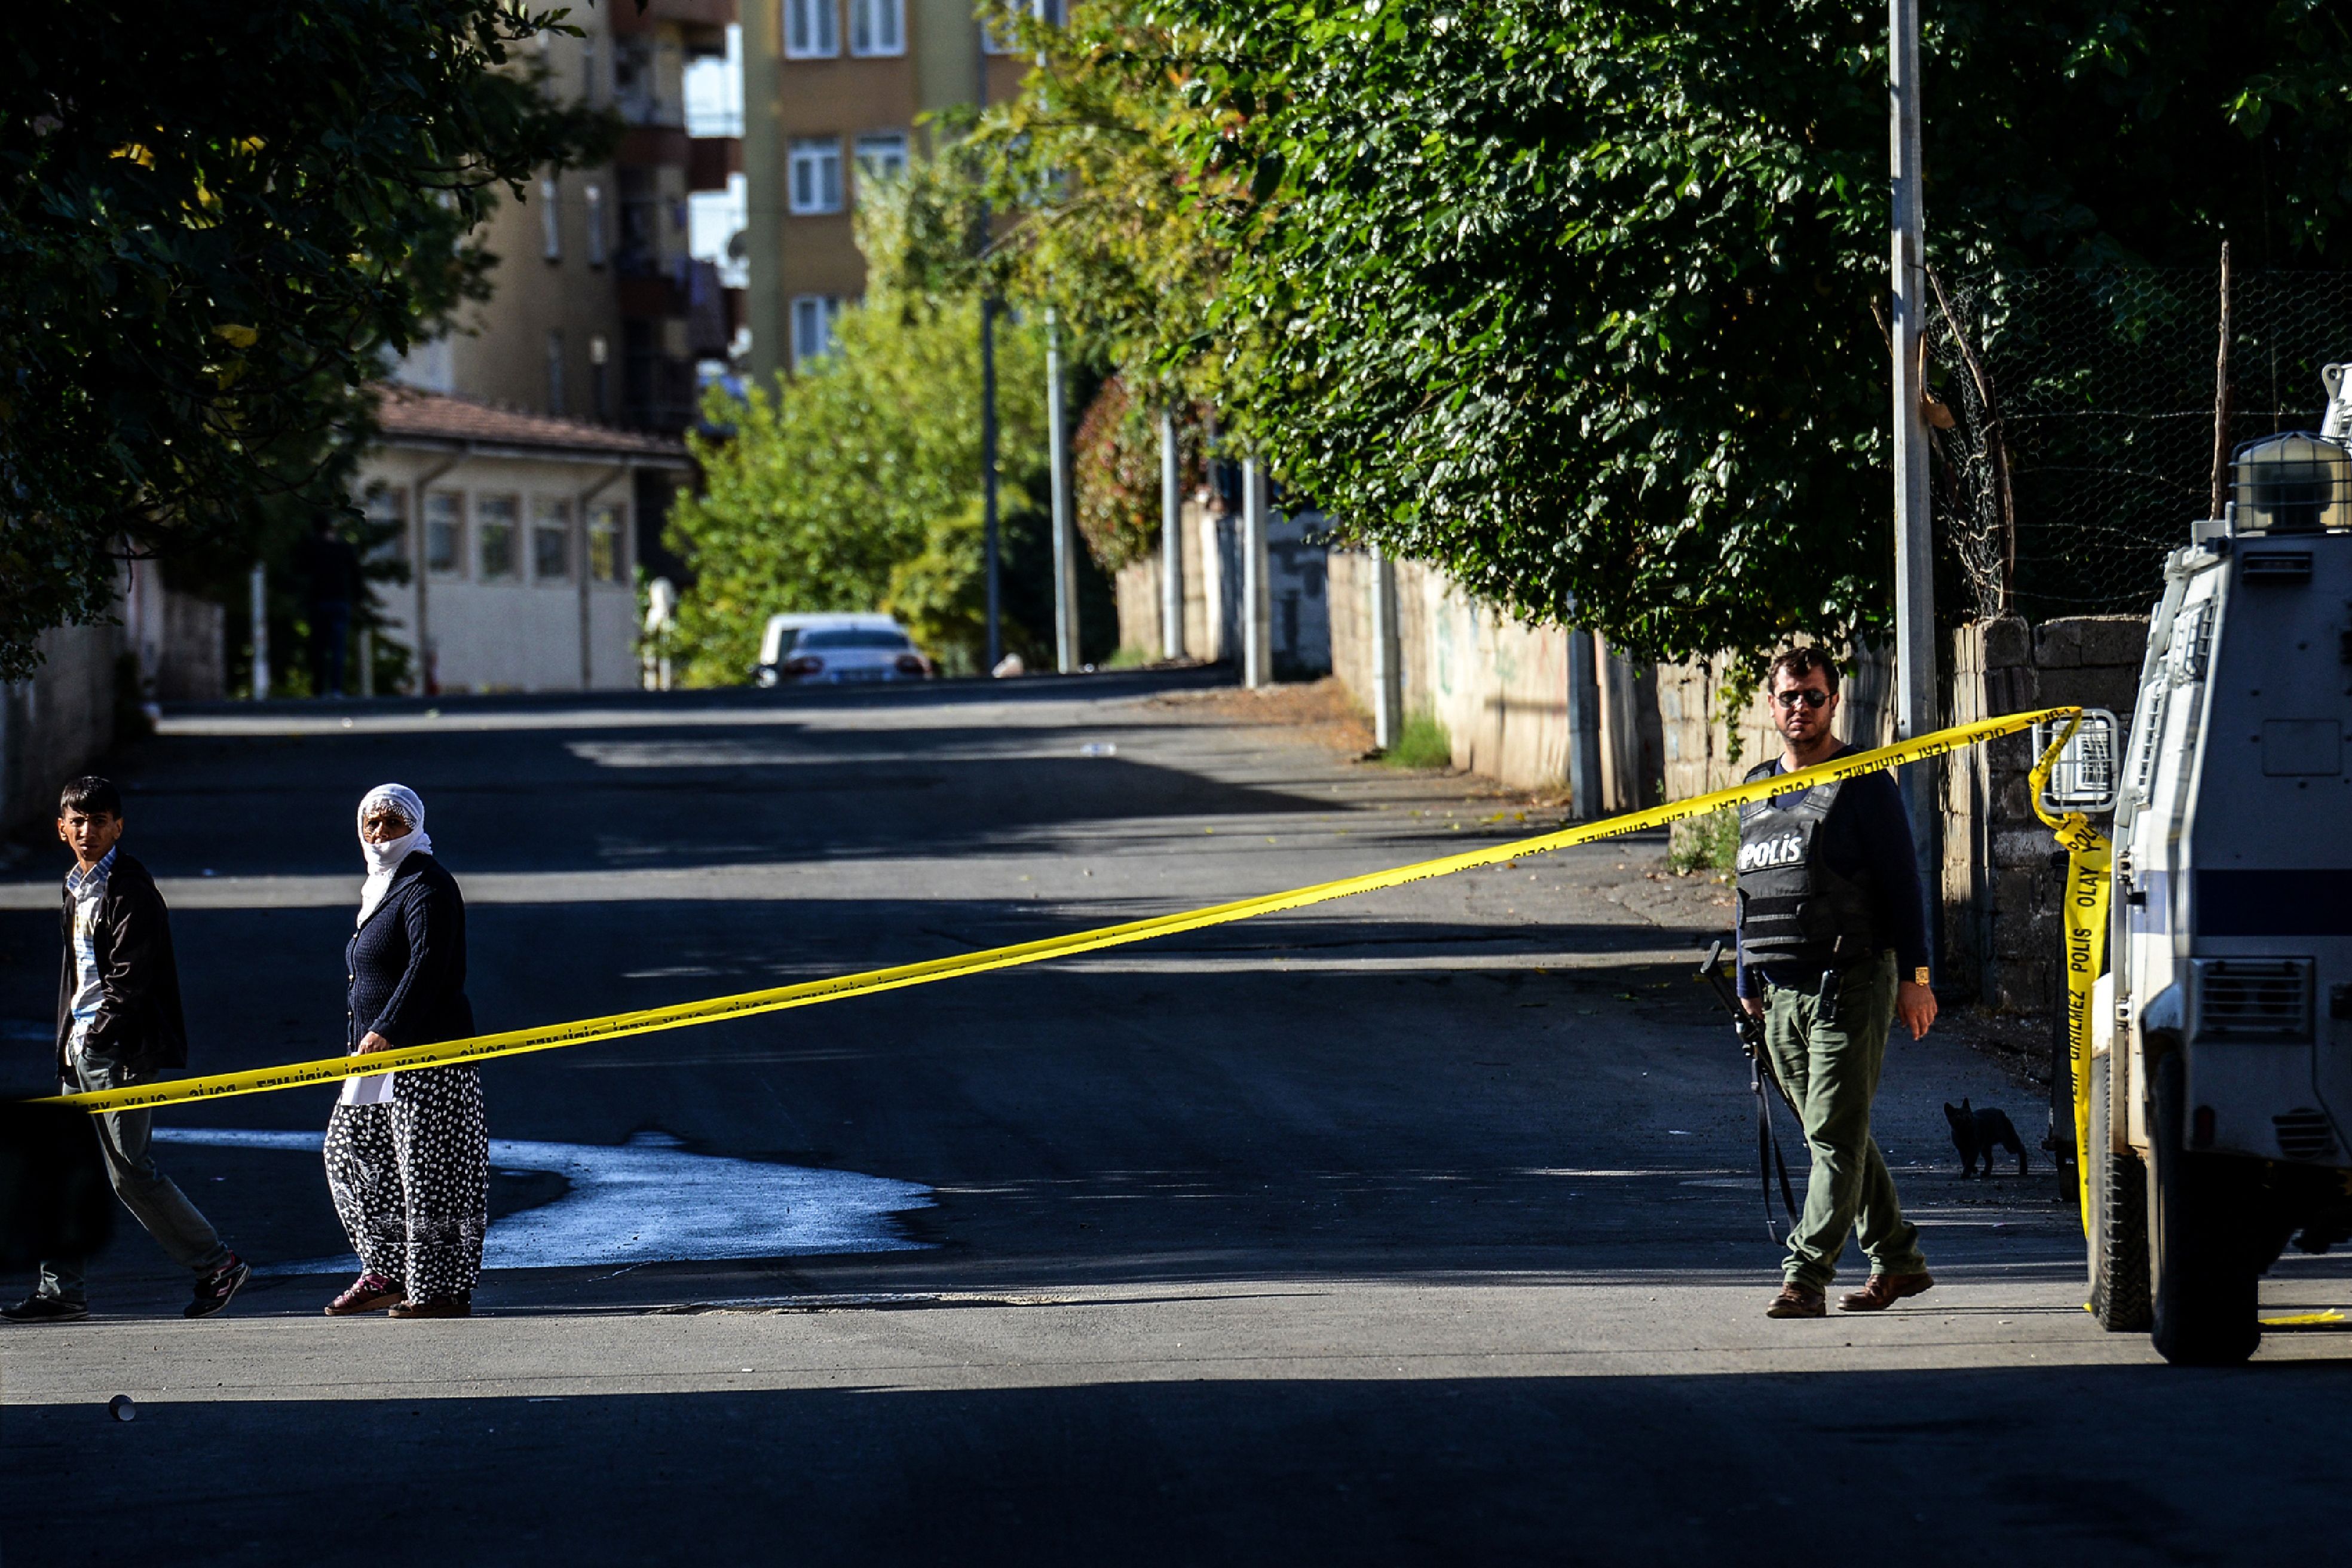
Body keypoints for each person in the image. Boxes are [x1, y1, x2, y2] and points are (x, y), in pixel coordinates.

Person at [1737, 647, 1938, 1320]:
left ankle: (1805, 1274)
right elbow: (1746, 891)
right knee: (1836, 1133)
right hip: (1780, 992)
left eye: (1814, 696)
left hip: (1850, 981)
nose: (1801, 708)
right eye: (1790, 696)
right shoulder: (1756, 787)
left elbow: (1906, 887)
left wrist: (1916, 976)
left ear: (1834, 702)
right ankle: (1899, 1259)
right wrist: (1747, 979)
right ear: (1771, 704)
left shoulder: (1863, 784)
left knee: (1833, 1132)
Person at [4, 777, 249, 1322]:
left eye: (99, 821)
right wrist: (71, 1039)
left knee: (130, 1171)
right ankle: (60, 1291)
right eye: (78, 821)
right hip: (81, 1047)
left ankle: (217, 1264)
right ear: (61, 827)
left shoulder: (129, 888)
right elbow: (80, 976)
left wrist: (98, 1037)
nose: (88, 832)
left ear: (119, 826)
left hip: (117, 1052)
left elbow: (131, 979)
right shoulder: (74, 886)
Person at [321, 784, 487, 1318]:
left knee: (430, 1174)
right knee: (353, 1159)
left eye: (392, 823)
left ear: (413, 827)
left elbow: (429, 966)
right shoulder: (381, 886)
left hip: (425, 1057)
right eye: (371, 823)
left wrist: (388, 1026)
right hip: (377, 1060)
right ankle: (389, 1270)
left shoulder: (426, 885)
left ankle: (439, 1288)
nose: (379, 833)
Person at [293, 515, 362, 697]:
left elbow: (299, 568)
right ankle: (336, 688)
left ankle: (319, 689)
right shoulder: (343, 549)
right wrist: (358, 599)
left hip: (319, 601)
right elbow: (356, 575)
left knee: (319, 647)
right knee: (338, 647)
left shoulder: (313, 548)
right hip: (340, 601)